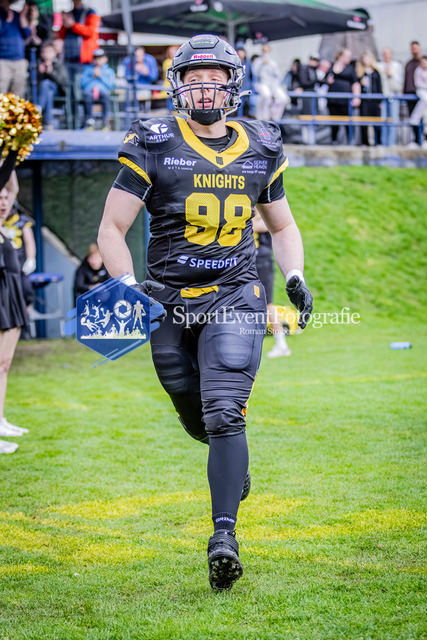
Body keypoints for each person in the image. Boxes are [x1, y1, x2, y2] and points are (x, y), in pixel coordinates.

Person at [97, 34, 313, 592]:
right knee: (193, 414)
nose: (204, 88)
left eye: (214, 78)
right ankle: (232, 464)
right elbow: (112, 228)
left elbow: (283, 225)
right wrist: (127, 288)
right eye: (194, 79)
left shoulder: (261, 144)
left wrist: (293, 275)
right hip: (168, 297)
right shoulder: (152, 140)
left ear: (233, 85)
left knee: (223, 411)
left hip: (234, 293)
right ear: (178, 87)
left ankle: (224, 537)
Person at [0, 186, 30, 454]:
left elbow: (13, 187)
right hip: (2, 300)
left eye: (5, 198)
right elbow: (9, 183)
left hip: (11, 297)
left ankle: (0, 420)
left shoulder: (5, 229)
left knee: (4, 365)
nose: (4, 202)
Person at [253, 212, 291, 358]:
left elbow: (263, 225)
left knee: (267, 303)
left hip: (262, 261)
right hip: (247, 260)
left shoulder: (265, 213)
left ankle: (281, 343)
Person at [326, 48, 361, 144]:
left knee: (348, 123)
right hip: (333, 100)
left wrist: (356, 97)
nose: (349, 59)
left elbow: (356, 83)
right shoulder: (331, 66)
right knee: (334, 123)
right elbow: (324, 79)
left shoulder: (350, 69)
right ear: (341, 56)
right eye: (347, 56)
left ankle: (350, 142)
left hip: (346, 101)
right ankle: (333, 141)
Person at [0, 0, 31, 97]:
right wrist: (7, 21)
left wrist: (22, 17)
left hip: (19, 60)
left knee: (18, 93)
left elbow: (27, 34)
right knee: (2, 91)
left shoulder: (17, 16)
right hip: (3, 61)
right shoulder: (2, 17)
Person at [252, 43, 289, 121]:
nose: (265, 53)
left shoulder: (273, 63)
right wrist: (261, 64)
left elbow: (278, 76)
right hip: (261, 84)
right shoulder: (258, 61)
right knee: (266, 95)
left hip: (273, 85)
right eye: (264, 51)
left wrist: (275, 87)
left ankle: (274, 116)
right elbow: (255, 74)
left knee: (283, 98)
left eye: (267, 51)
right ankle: (264, 116)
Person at [80, 48, 115, 130]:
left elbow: (111, 86)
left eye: (100, 58)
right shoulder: (88, 69)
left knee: (105, 96)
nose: (98, 60)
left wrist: (100, 76)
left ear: (105, 59)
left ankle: (105, 121)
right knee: (88, 96)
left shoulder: (109, 71)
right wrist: (93, 76)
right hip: (90, 92)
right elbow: (82, 84)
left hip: (103, 92)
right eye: (96, 58)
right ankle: (89, 120)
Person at [37, 39, 69, 129]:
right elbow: (33, 84)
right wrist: (39, 73)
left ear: (54, 53)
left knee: (46, 84)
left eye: (48, 52)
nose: (46, 54)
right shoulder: (38, 64)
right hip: (43, 93)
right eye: (44, 52)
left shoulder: (59, 64)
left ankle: (39, 108)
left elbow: (62, 81)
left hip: (58, 91)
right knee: (48, 92)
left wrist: (51, 72)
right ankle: (49, 122)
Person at [377, 47, 403, 146]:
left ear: (391, 54)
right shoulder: (379, 66)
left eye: (388, 53)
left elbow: (400, 81)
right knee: (383, 120)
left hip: (393, 96)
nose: (386, 56)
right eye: (384, 53)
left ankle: (391, 144)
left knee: (393, 120)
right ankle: (384, 143)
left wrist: (390, 75)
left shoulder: (397, 65)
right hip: (383, 96)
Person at [356, 51, 383, 146]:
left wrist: (380, 100)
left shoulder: (375, 72)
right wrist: (361, 83)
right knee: (364, 122)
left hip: (374, 100)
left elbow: (379, 86)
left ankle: (378, 141)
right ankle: (365, 142)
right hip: (364, 101)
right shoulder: (360, 73)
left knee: (377, 122)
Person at [403, 41, 422, 145]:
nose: (414, 50)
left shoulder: (422, 62)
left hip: (421, 95)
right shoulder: (408, 64)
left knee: (421, 118)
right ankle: (416, 140)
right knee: (412, 118)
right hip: (409, 95)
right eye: (413, 48)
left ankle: (422, 139)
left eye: (416, 48)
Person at [409, 55, 427, 147]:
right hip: (421, 92)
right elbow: (418, 83)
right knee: (425, 99)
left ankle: (425, 139)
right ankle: (415, 117)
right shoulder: (418, 71)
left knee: (425, 117)